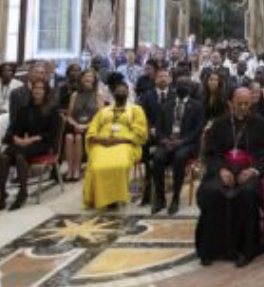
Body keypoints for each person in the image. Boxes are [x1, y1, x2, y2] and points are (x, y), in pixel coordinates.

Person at [196, 87, 264, 267]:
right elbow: (210, 154)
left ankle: (246, 250)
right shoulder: (219, 124)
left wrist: (253, 171)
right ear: (231, 103)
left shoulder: (261, 124)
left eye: (247, 104)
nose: (244, 107)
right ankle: (210, 249)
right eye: (240, 103)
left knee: (246, 194)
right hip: (223, 170)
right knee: (212, 192)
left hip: (249, 172)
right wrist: (221, 170)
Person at [83, 73, 148, 210]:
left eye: (123, 91)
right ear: (113, 94)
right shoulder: (104, 111)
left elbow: (141, 133)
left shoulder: (136, 110)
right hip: (102, 144)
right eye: (118, 91)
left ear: (128, 93)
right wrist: (101, 139)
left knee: (120, 164)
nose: (121, 93)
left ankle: (117, 197)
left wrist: (120, 140)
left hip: (126, 144)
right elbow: (92, 131)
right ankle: (101, 198)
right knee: (97, 166)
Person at [0, 78, 60, 211]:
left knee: (20, 155)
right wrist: (16, 138)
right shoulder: (25, 108)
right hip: (25, 143)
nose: (37, 91)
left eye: (41, 88)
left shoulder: (52, 109)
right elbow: (15, 129)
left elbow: (52, 134)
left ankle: (23, 192)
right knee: (3, 157)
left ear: (46, 91)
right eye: (35, 88)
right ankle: (2, 193)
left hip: (43, 143)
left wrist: (31, 139)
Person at [151, 77, 205, 215]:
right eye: (180, 84)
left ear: (190, 88)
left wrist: (181, 142)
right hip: (167, 142)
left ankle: (175, 198)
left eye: (186, 85)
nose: (182, 87)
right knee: (157, 158)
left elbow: (197, 131)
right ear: (175, 86)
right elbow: (158, 127)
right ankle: (160, 198)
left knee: (179, 157)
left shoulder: (197, 106)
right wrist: (164, 141)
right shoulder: (166, 105)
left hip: (187, 144)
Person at [139, 67, 174, 205]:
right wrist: (150, 128)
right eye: (160, 76)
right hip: (151, 134)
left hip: (170, 135)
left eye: (165, 76)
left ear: (170, 79)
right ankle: (149, 181)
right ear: (155, 79)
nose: (163, 79)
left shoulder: (175, 95)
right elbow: (142, 116)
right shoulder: (146, 96)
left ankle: (162, 176)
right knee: (147, 145)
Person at [63, 70, 101, 182]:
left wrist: (85, 126)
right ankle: (70, 169)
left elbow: (101, 116)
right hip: (75, 124)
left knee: (79, 138)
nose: (88, 79)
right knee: (69, 137)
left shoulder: (98, 95)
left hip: (91, 125)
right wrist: (76, 124)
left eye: (90, 77)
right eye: (86, 76)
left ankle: (77, 169)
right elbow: (69, 115)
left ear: (94, 80)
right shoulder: (75, 95)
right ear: (81, 79)